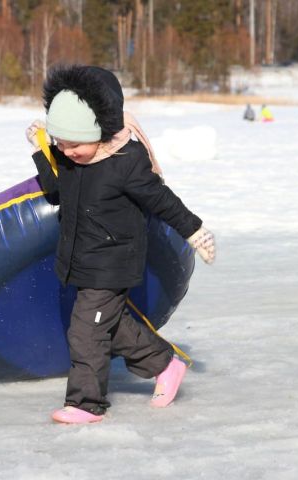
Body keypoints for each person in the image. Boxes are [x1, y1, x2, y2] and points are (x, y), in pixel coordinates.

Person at [25, 65, 216, 424]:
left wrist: (194, 231)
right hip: (81, 258)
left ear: (99, 130)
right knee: (109, 326)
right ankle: (166, 364)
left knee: (86, 331)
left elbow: (162, 200)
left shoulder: (125, 163)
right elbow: (54, 191)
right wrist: (41, 150)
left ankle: (85, 403)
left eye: (74, 143)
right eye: (60, 143)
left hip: (113, 263)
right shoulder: (70, 158)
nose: (67, 152)